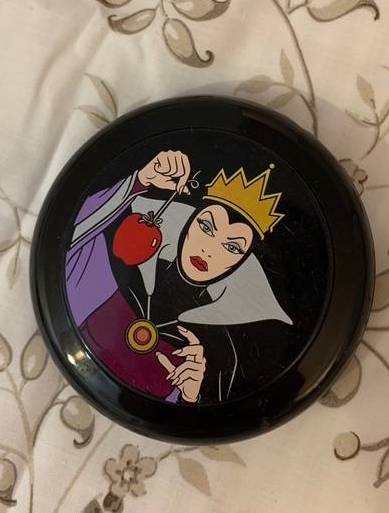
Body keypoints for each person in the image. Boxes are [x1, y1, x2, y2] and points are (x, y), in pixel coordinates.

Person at [65, 150, 293, 404]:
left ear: (241, 264)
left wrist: (189, 395)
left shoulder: (218, 352)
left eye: (232, 247)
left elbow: (204, 417)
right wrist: (140, 180)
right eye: (206, 227)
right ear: (187, 222)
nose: (208, 250)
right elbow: (69, 238)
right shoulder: (117, 263)